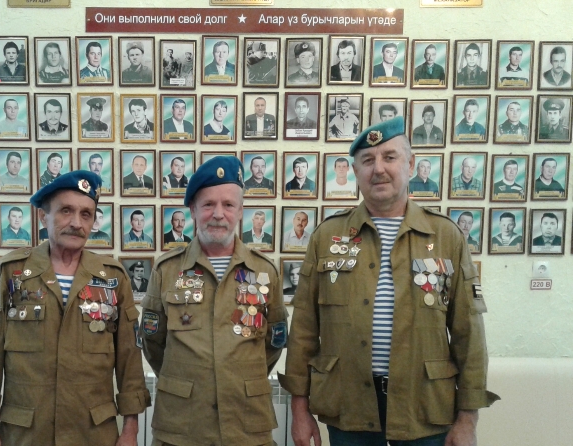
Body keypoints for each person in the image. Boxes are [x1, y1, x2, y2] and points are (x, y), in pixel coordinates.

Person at [282, 116, 498, 446]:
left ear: (410, 165)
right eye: (368, 160)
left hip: (424, 408)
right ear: (356, 172)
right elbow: (304, 330)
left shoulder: (445, 236)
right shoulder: (327, 236)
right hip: (348, 406)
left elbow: (469, 334)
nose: (378, 169)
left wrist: (468, 419)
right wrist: (299, 409)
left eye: (389, 157)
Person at [0, 170, 149, 445]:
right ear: (43, 217)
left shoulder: (112, 277)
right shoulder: (11, 272)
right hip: (26, 431)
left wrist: (130, 430)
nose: (76, 223)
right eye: (66, 211)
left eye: (86, 214)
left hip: (93, 432)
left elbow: (129, 360)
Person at [141, 156, 287, 446]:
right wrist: (191, 379)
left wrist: (238, 378)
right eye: (208, 204)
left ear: (241, 211)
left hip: (247, 422)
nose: (218, 214)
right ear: (193, 210)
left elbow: (274, 342)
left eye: (228, 205)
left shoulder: (265, 271)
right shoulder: (166, 270)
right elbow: (152, 342)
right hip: (182, 425)